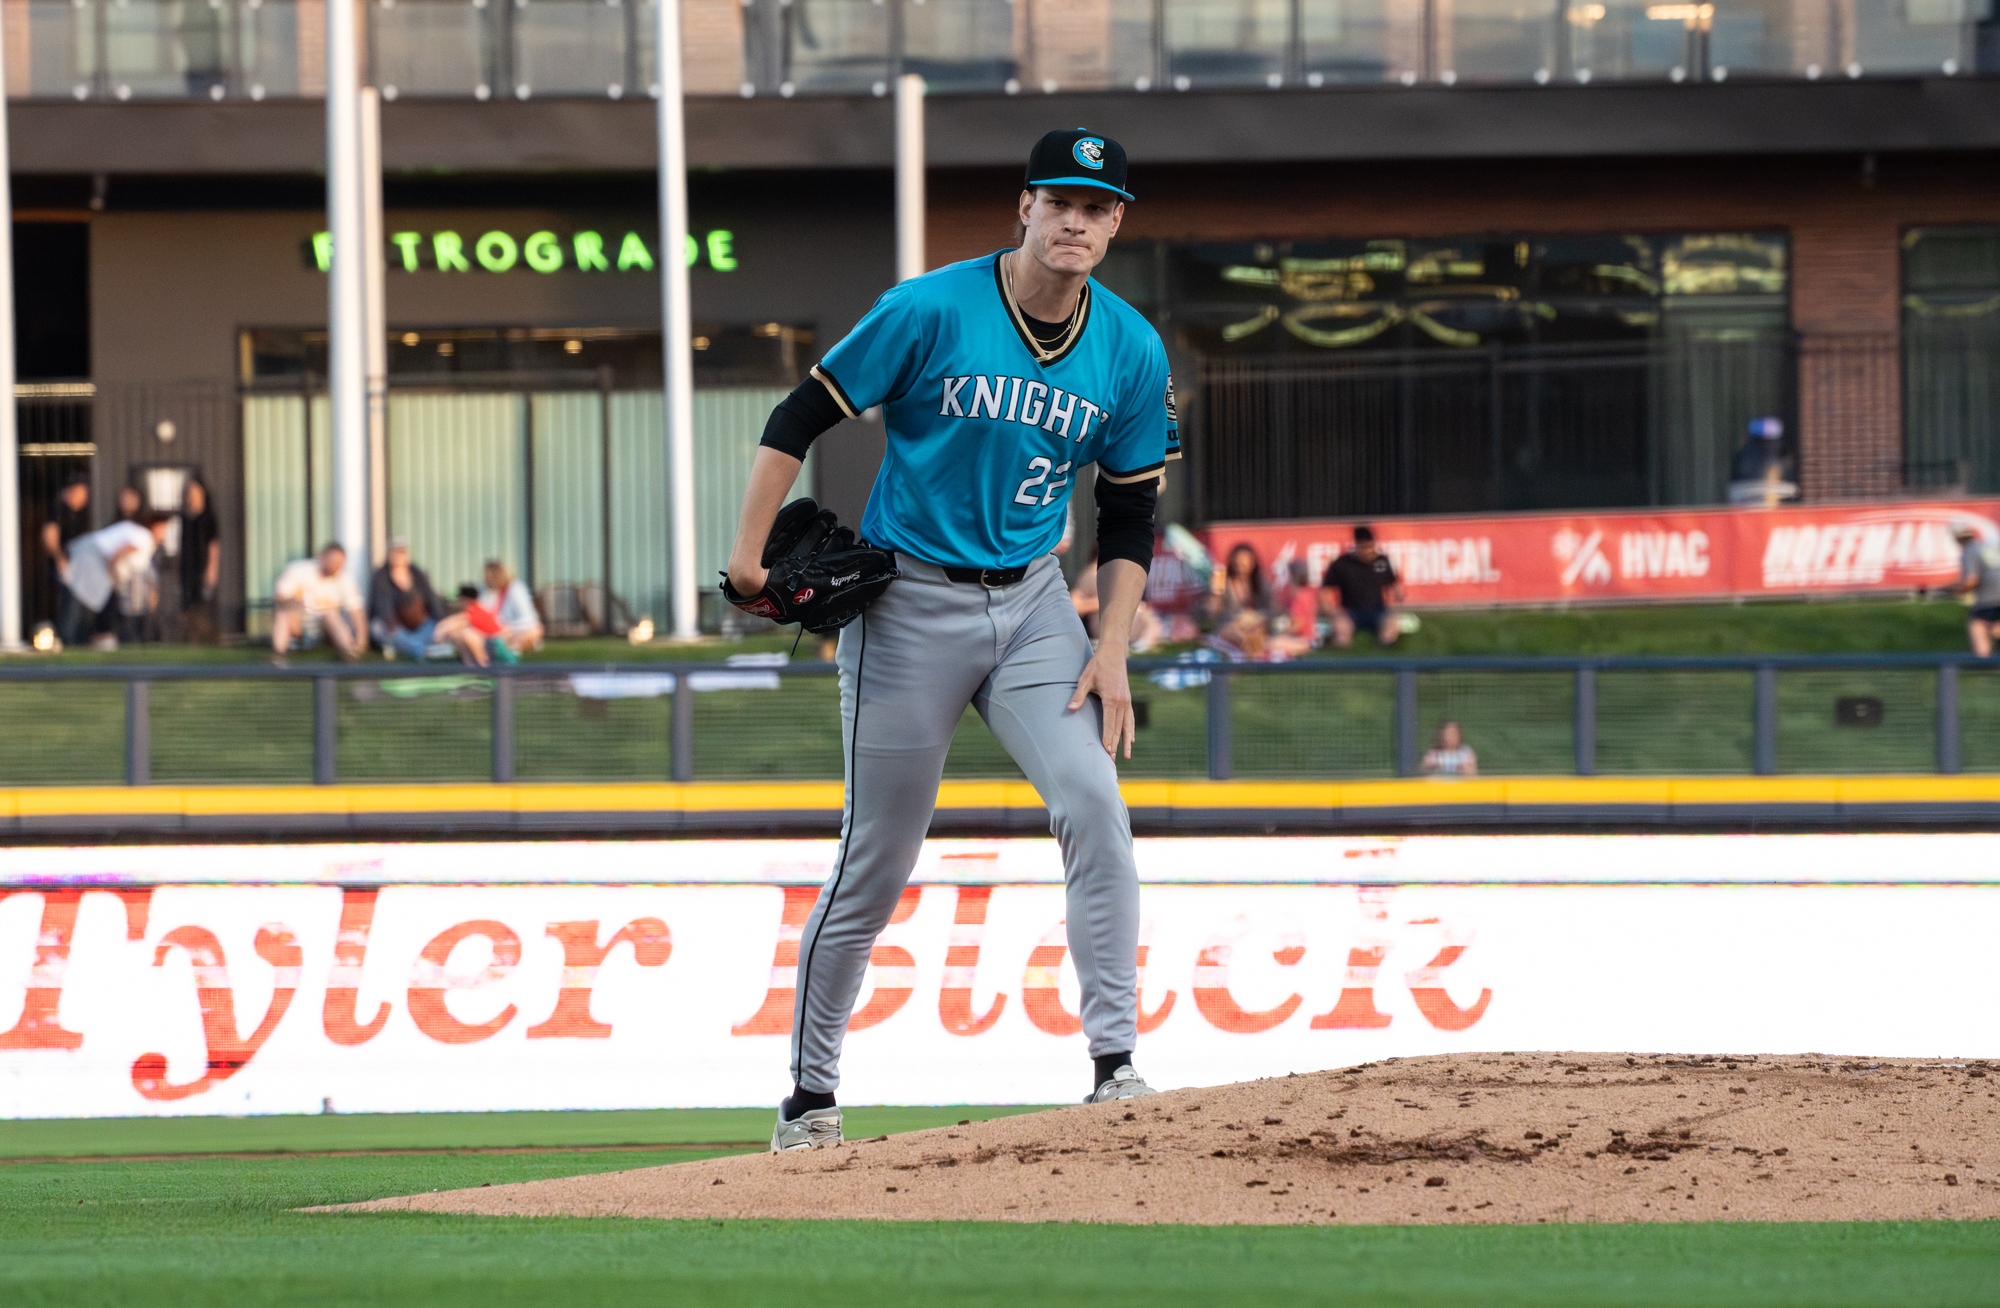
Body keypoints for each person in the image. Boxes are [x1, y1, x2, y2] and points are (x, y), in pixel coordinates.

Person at [725, 129, 1177, 1152]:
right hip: (909, 608)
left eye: (1096, 205)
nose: (1074, 219)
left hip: (1030, 610)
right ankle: (809, 1097)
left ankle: (1114, 1066)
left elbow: (1131, 514)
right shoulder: (929, 307)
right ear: (1023, 206)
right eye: (1058, 198)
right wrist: (749, 560)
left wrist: (1109, 647)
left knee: (1094, 805)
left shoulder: (1129, 348)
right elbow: (797, 418)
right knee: (875, 861)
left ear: (1115, 223)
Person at [64, 512, 170, 649]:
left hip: (99, 564)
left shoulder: (147, 542)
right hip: (95, 561)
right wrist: (111, 574)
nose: (164, 533)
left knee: (103, 602)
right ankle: (88, 639)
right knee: (92, 601)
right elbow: (121, 551)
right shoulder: (145, 537)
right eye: (162, 528)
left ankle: (98, 638)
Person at [271, 543, 366, 663]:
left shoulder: (344, 579)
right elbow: (279, 598)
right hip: (298, 624)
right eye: (334, 562)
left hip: (324, 628)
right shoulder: (299, 570)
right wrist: (295, 604)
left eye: (340, 563)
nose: (338, 567)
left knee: (330, 614)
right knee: (283, 613)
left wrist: (362, 641)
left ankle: (348, 652)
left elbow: (356, 611)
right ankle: (279, 653)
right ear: (322, 557)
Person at [367, 537, 450, 661]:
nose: (399, 557)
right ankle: (421, 651)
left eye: (402, 553)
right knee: (377, 628)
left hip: (419, 625)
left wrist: (440, 620)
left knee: (436, 628)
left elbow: (430, 597)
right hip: (395, 626)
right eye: (395, 553)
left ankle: (418, 648)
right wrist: (398, 585)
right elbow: (382, 606)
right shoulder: (381, 576)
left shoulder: (417, 573)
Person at [1323, 525, 1404, 648]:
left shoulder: (1381, 561)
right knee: (1341, 631)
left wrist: (1399, 595)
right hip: (1350, 611)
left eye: (1371, 547)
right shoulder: (1342, 564)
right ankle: (1342, 652)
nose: (1369, 551)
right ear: (1356, 545)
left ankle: (1384, 648)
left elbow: (1392, 582)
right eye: (1365, 548)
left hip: (1378, 610)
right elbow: (1325, 589)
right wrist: (1330, 611)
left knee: (1392, 624)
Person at [42, 475, 92, 647]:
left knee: (76, 602)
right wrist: (60, 559)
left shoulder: (77, 514)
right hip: (65, 566)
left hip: (75, 566)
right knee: (71, 602)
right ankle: (68, 639)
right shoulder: (59, 510)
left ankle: (75, 638)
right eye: (82, 493)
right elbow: (50, 535)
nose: (84, 499)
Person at [178, 478, 222, 644]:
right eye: (188, 493)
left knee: (203, 605)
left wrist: (211, 570)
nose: (191, 496)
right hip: (186, 568)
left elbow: (214, 546)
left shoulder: (208, 518)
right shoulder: (183, 519)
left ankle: (208, 639)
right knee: (187, 606)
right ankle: (191, 638)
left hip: (202, 566)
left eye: (194, 492)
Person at [1952, 523, 2000, 658]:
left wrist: (1959, 591)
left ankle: (1983, 661)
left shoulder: (1969, 551)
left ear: (1957, 539)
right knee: (1995, 628)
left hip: (1990, 597)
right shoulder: (1986, 547)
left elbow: (1972, 580)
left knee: (1977, 625)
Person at [478, 561, 544, 654]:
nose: (484, 579)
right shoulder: (485, 589)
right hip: (495, 630)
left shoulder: (515, 589)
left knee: (532, 632)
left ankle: (512, 651)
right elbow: (481, 613)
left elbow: (528, 619)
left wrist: (507, 627)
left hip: (517, 629)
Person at [1200, 542, 1270, 628]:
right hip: (1227, 627)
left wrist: (1256, 615)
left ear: (1253, 562)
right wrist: (1214, 600)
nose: (1241, 564)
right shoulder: (1222, 581)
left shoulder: (1261, 583)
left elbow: (1273, 608)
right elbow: (1213, 609)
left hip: (1255, 629)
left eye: (1246, 560)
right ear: (1232, 561)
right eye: (1238, 560)